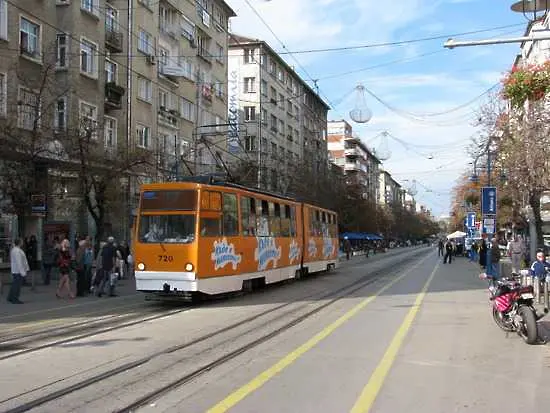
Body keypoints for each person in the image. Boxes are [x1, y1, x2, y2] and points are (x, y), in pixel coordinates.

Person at [7, 239, 30, 304]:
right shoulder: (17, 251)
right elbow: (19, 262)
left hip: (16, 270)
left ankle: (10, 297)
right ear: (20, 243)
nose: (23, 243)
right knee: (17, 286)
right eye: (22, 242)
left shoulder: (16, 250)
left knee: (14, 285)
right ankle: (15, 299)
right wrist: (23, 272)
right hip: (18, 271)